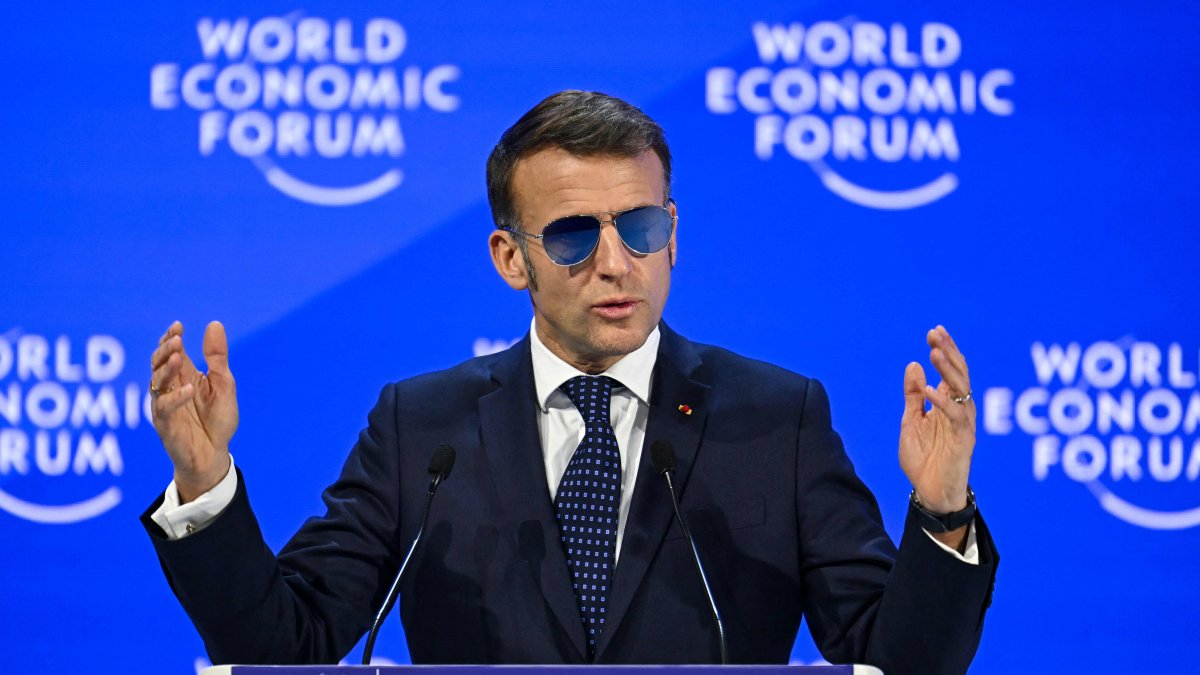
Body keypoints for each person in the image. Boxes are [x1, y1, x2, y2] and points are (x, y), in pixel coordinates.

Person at [143, 91, 997, 673]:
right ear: (510, 256)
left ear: (673, 235)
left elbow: (900, 662)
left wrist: (944, 509)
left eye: (639, 224)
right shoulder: (421, 426)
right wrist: (206, 484)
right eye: (574, 236)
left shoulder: (779, 417)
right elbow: (286, 645)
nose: (616, 262)